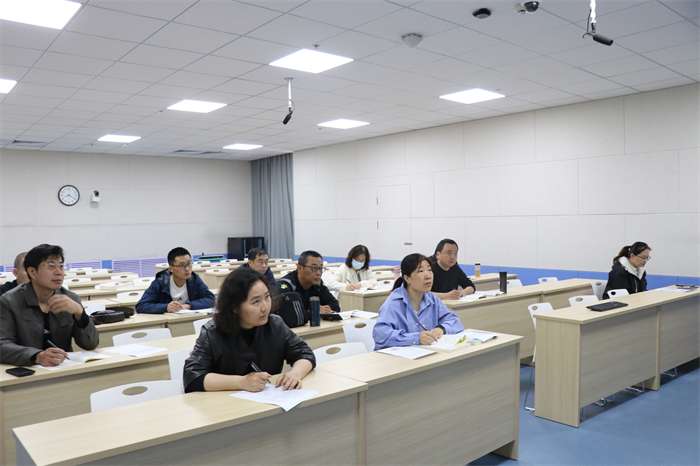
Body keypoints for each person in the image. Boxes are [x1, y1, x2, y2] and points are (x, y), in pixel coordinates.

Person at [183, 267, 315, 392]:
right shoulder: (212, 332)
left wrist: (295, 374)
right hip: (223, 403)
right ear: (235, 306)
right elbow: (192, 376)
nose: (265, 307)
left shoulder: (275, 324)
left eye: (267, 297)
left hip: (268, 401)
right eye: (256, 301)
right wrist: (241, 382)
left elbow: (305, 353)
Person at [0, 244, 98, 367]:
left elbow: (90, 344)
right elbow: (2, 345)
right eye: (51, 266)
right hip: (26, 369)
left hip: (65, 368)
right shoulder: (9, 301)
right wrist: (37, 356)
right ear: (32, 272)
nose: (59, 272)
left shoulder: (70, 299)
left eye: (61, 266)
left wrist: (80, 314)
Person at [373, 253, 464, 350]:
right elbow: (380, 335)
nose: (428, 276)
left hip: (426, 353)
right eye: (420, 271)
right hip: (397, 356)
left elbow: (455, 321)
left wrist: (441, 329)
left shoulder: (431, 298)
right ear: (407, 278)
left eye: (429, 270)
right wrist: (416, 338)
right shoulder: (394, 303)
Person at [136, 247, 215, 314]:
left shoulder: (194, 279)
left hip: (189, 318)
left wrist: (189, 305)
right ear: (171, 268)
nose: (187, 269)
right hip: (169, 321)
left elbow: (211, 299)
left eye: (189, 263)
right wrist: (166, 307)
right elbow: (141, 306)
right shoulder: (160, 281)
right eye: (181, 265)